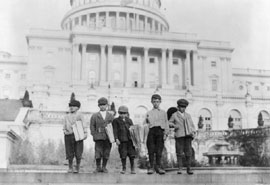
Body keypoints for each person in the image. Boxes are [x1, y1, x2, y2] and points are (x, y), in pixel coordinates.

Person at [169, 99, 196, 175]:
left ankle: (189, 168)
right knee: (179, 153)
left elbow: (192, 125)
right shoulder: (174, 115)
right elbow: (169, 122)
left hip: (188, 136)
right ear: (178, 107)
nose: (183, 109)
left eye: (184, 107)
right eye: (181, 107)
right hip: (179, 136)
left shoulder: (188, 115)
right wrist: (174, 126)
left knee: (188, 153)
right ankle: (180, 168)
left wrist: (193, 131)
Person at [144, 94, 169, 175]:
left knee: (159, 151)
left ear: (160, 102)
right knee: (151, 150)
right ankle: (151, 167)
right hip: (151, 132)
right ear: (151, 102)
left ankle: (158, 167)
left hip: (160, 132)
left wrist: (165, 134)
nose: (156, 103)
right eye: (154, 102)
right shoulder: (148, 113)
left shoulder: (163, 113)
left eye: (157, 102)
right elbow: (145, 124)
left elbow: (166, 124)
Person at [90, 97, 114, 173]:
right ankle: (98, 167)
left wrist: (113, 136)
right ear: (98, 106)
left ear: (107, 105)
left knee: (106, 152)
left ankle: (104, 167)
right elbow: (92, 126)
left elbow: (113, 126)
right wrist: (94, 134)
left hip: (108, 137)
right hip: (98, 137)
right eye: (101, 105)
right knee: (98, 152)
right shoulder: (95, 115)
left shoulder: (110, 116)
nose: (102, 106)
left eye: (104, 105)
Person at [63, 99, 87, 173]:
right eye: (70, 106)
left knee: (78, 151)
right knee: (69, 151)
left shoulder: (80, 115)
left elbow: (84, 124)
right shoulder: (66, 116)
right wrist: (64, 131)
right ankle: (70, 167)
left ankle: (77, 167)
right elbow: (64, 125)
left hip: (78, 134)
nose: (71, 107)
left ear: (78, 107)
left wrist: (85, 132)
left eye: (74, 106)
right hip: (69, 134)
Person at [112, 105, 136, 174]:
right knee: (123, 155)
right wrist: (116, 138)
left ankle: (132, 168)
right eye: (121, 113)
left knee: (132, 155)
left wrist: (135, 139)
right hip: (122, 141)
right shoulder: (116, 121)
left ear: (127, 113)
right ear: (119, 113)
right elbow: (115, 130)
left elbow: (133, 129)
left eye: (124, 113)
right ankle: (124, 168)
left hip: (130, 141)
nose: (123, 115)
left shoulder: (129, 120)